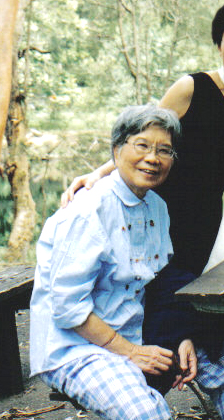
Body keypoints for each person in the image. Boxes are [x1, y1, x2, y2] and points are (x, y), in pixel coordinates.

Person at [60, 0, 224, 419]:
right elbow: (144, 140)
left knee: (204, 315)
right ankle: (131, 391)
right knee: (169, 311)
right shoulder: (191, 88)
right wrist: (98, 173)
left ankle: (165, 375)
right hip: (156, 222)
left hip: (207, 230)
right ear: (219, 44)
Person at [30, 105, 183, 420]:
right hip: (75, 348)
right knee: (146, 413)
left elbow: (159, 285)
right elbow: (67, 307)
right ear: (116, 150)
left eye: (164, 150)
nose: (153, 158)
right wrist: (131, 352)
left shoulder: (157, 207)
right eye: (142, 145)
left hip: (135, 334)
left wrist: (185, 335)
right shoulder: (88, 210)